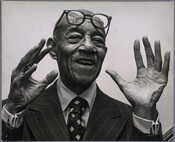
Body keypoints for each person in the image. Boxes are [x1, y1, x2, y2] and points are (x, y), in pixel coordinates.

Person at [2, 9, 170, 141]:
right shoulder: (11, 110)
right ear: (53, 49)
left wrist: (145, 111)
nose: (89, 47)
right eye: (75, 37)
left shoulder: (133, 117)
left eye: (97, 40)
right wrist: (14, 110)